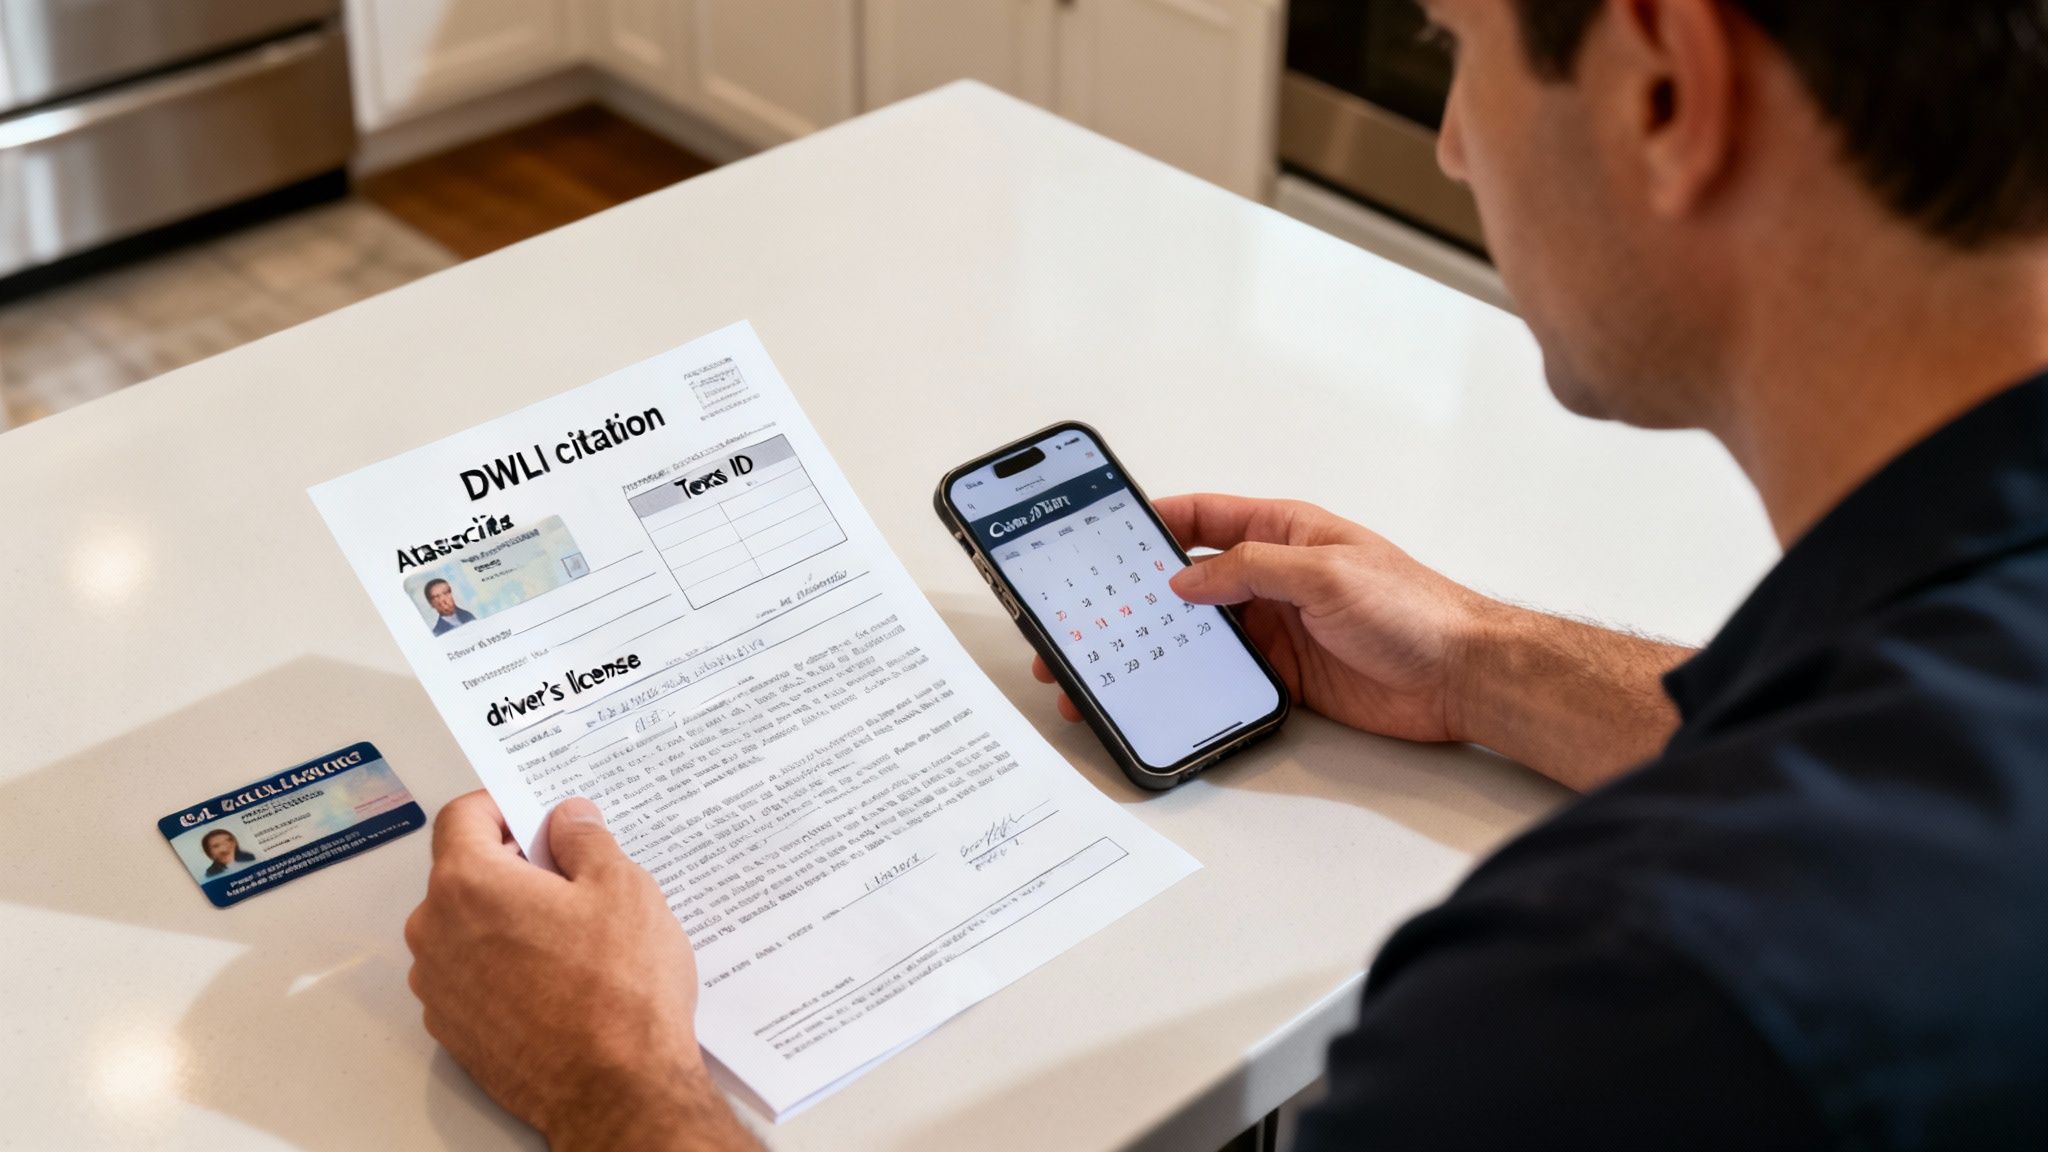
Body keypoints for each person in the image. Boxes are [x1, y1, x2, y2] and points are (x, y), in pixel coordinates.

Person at [403, 1, 2048, 1148]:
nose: (1455, 145)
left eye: (1457, 47)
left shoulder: (1618, 1009)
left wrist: (616, 1085)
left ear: (1668, 88)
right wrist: (1479, 659)